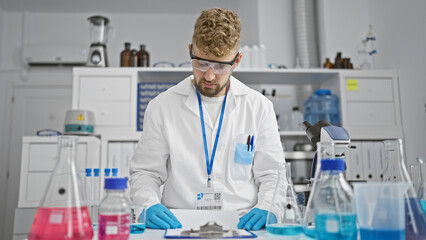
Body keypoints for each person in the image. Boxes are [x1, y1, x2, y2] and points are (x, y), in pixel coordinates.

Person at [130, 7, 286, 231]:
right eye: (201, 63)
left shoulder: (259, 107)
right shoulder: (162, 107)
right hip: (178, 225)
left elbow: (273, 174)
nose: (210, 75)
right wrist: (147, 204)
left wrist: (269, 207)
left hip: (243, 225)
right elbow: (146, 172)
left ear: (237, 60)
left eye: (221, 65)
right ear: (190, 51)